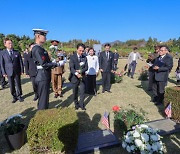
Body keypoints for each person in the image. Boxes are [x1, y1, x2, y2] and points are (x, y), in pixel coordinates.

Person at [31, 28, 65, 110]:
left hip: (44, 75)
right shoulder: (37, 49)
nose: (45, 38)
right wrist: (57, 64)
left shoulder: (40, 48)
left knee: (44, 99)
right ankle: (41, 118)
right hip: (42, 76)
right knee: (43, 100)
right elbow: (44, 64)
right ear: (38, 36)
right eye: (44, 35)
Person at [1, 38, 24, 103]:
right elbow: (2, 64)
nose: (11, 44)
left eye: (11, 43)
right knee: (11, 85)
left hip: (17, 71)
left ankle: (19, 96)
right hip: (8, 71)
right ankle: (14, 97)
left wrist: (22, 70)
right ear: (5, 44)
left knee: (18, 84)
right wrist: (3, 72)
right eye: (9, 43)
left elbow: (20, 62)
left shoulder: (17, 52)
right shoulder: (3, 53)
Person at [69, 43, 88, 110]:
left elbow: (86, 68)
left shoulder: (85, 57)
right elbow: (71, 68)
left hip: (82, 77)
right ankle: (76, 104)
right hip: (74, 77)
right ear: (77, 49)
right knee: (75, 92)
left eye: (83, 51)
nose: (81, 52)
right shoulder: (72, 57)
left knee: (82, 92)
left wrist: (81, 71)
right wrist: (77, 74)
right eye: (80, 50)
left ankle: (82, 105)